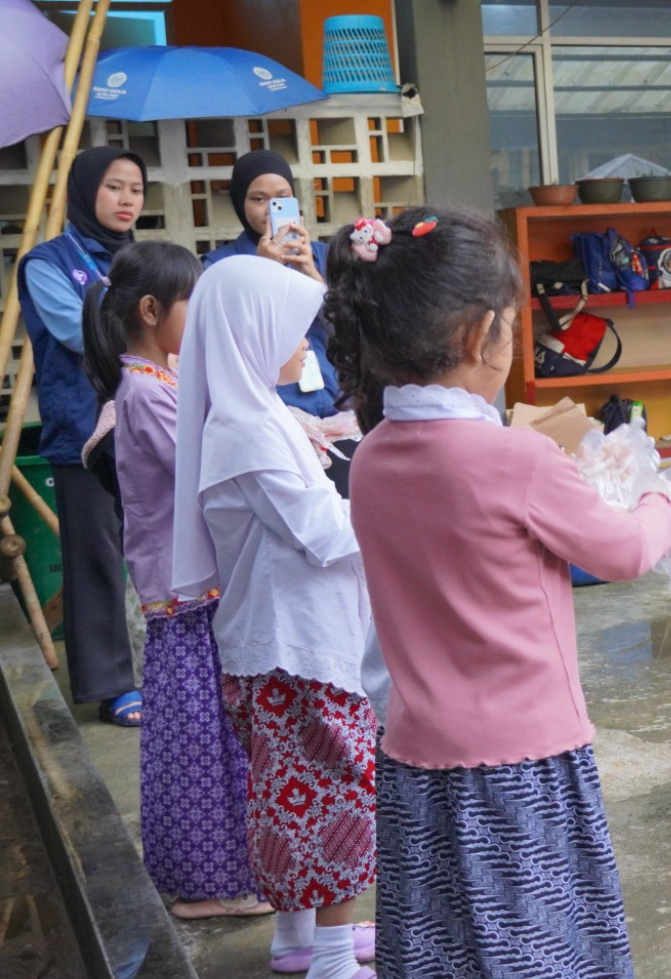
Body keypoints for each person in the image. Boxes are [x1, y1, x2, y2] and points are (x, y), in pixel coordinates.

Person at [322, 206, 671, 977]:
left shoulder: (374, 456)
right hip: (523, 762)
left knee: (444, 946)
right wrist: (664, 505)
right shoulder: (514, 459)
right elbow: (621, 551)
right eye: (514, 325)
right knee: (539, 946)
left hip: (417, 757)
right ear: (479, 334)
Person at [171, 254, 378, 979]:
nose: (305, 345)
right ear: (251, 332)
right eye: (294, 329)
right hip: (296, 645)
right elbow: (322, 534)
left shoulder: (256, 413)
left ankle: (299, 938)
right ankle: (327, 958)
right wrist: (400, 506)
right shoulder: (247, 429)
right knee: (334, 792)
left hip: (288, 638)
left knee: (297, 792)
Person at [80, 241, 267, 920]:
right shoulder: (143, 391)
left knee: (210, 737)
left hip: (194, 587)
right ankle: (205, 886)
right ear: (152, 309)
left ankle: (213, 877)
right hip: (185, 594)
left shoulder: (155, 381)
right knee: (200, 743)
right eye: (193, 301)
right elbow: (207, 464)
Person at [16, 146, 145, 726]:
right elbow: (75, 332)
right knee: (95, 557)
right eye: (115, 187)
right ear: (86, 191)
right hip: (85, 431)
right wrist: (145, 320)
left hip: (152, 421)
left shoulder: (145, 258)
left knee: (162, 551)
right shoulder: (47, 262)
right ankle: (113, 685)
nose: (126, 200)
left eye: (136, 190)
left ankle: (163, 669)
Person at [201, 150, 357, 493]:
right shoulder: (222, 266)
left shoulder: (325, 255)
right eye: (259, 199)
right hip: (275, 416)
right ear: (240, 204)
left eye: (282, 198)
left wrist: (313, 277)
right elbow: (234, 342)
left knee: (348, 513)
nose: (271, 209)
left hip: (335, 407)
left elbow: (350, 331)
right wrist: (263, 272)